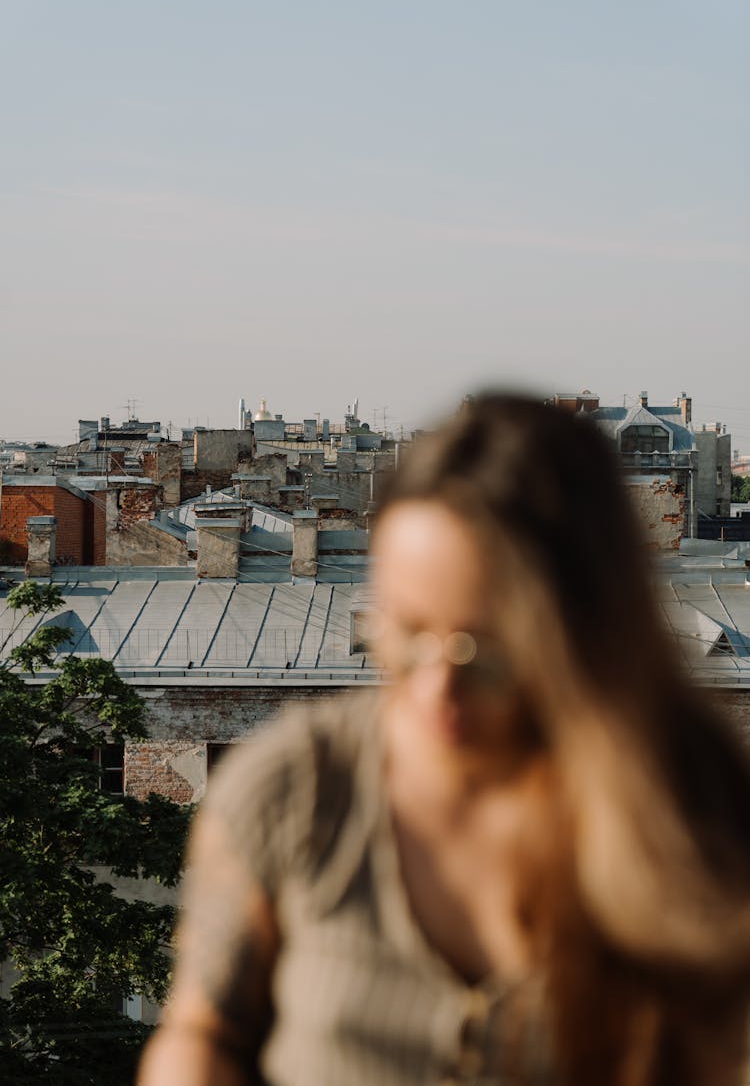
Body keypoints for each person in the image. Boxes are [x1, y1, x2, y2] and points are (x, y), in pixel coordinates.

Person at [138, 393, 750, 1086]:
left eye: (484, 648)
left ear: (589, 627)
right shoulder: (296, 787)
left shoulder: (691, 806)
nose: (436, 688)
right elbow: (200, 1035)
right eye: (404, 634)